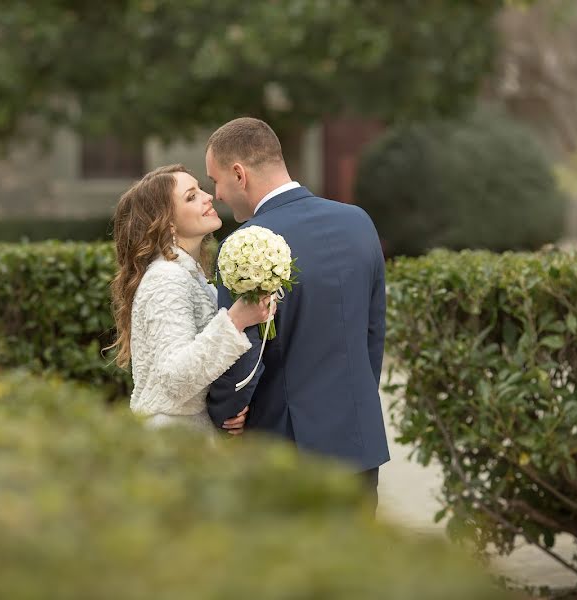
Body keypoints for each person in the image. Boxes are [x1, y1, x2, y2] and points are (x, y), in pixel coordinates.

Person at [205, 118, 390, 503]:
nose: (217, 194)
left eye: (216, 180)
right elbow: (373, 335)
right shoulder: (359, 222)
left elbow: (239, 352)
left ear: (239, 174)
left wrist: (228, 412)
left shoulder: (244, 246)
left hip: (286, 448)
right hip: (359, 440)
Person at [108, 164, 275, 435]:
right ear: (168, 222)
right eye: (191, 196)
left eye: (201, 189)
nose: (207, 196)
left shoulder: (189, 274)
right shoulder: (166, 278)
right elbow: (175, 377)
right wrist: (235, 321)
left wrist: (229, 409)